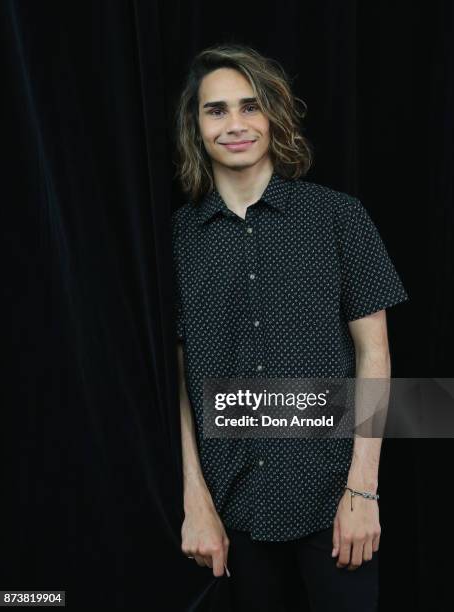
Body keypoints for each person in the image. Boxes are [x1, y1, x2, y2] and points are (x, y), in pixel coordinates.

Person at [171, 43, 409, 611]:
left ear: (274, 116)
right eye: (216, 110)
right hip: (233, 512)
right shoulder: (178, 239)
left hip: (333, 502)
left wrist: (362, 490)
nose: (235, 124)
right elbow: (177, 379)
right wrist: (194, 498)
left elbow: (375, 358)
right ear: (195, 127)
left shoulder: (338, 216)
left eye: (250, 107)